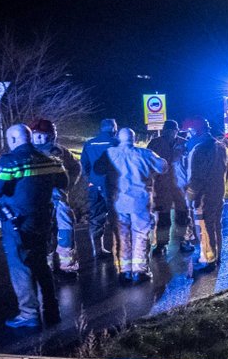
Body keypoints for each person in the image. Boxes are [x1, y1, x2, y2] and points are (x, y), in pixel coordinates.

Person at [0, 123, 68, 328]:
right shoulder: (50, 160)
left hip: (16, 223)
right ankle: (52, 310)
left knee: (20, 266)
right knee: (41, 263)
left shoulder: (9, 162)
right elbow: (64, 183)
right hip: (43, 220)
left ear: (12, 140)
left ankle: (28, 314)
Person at [97, 127, 167, 282]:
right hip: (139, 201)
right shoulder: (144, 154)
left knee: (122, 236)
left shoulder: (109, 153)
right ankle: (139, 271)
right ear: (134, 139)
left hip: (118, 202)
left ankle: (124, 271)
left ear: (118, 138)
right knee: (141, 235)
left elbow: (97, 169)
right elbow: (163, 167)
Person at [30, 118, 81, 274]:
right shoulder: (27, 151)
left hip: (58, 199)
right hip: (37, 202)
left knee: (66, 230)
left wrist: (68, 185)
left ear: (51, 135)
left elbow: (75, 167)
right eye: (36, 134)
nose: (38, 138)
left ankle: (68, 266)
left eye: (42, 135)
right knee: (43, 233)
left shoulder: (60, 151)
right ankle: (47, 265)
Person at [181, 116, 228, 271]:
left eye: (193, 130)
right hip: (218, 193)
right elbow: (226, 171)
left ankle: (209, 259)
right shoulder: (220, 146)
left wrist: (189, 197)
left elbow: (196, 178)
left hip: (203, 197)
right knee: (216, 225)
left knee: (204, 228)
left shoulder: (198, 150)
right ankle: (217, 255)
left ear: (198, 130)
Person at [146, 119, 190, 256]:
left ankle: (183, 241)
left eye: (173, 130)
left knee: (183, 216)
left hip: (180, 187)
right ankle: (161, 244)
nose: (170, 133)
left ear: (177, 131)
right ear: (164, 131)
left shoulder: (184, 143)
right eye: (168, 130)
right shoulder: (155, 144)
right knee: (163, 218)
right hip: (162, 186)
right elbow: (149, 164)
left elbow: (190, 164)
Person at [80, 118, 119, 259]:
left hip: (94, 185)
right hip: (113, 185)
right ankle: (119, 248)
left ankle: (98, 250)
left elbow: (84, 164)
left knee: (96, 217)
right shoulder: (116, 143)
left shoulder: (89, 143)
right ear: (114, 128)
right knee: (117, 217)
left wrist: (91, 178)